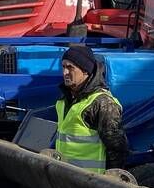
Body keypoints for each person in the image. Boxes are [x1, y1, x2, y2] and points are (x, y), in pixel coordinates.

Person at [53, 44, 128, 172]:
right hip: (66, 177)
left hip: (91, 182)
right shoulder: (64, 101)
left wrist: (109, 182)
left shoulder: (102, 103)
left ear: (85, 71)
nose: (65, 72)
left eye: (70, 67)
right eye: (63, 67)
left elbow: (117, 149)